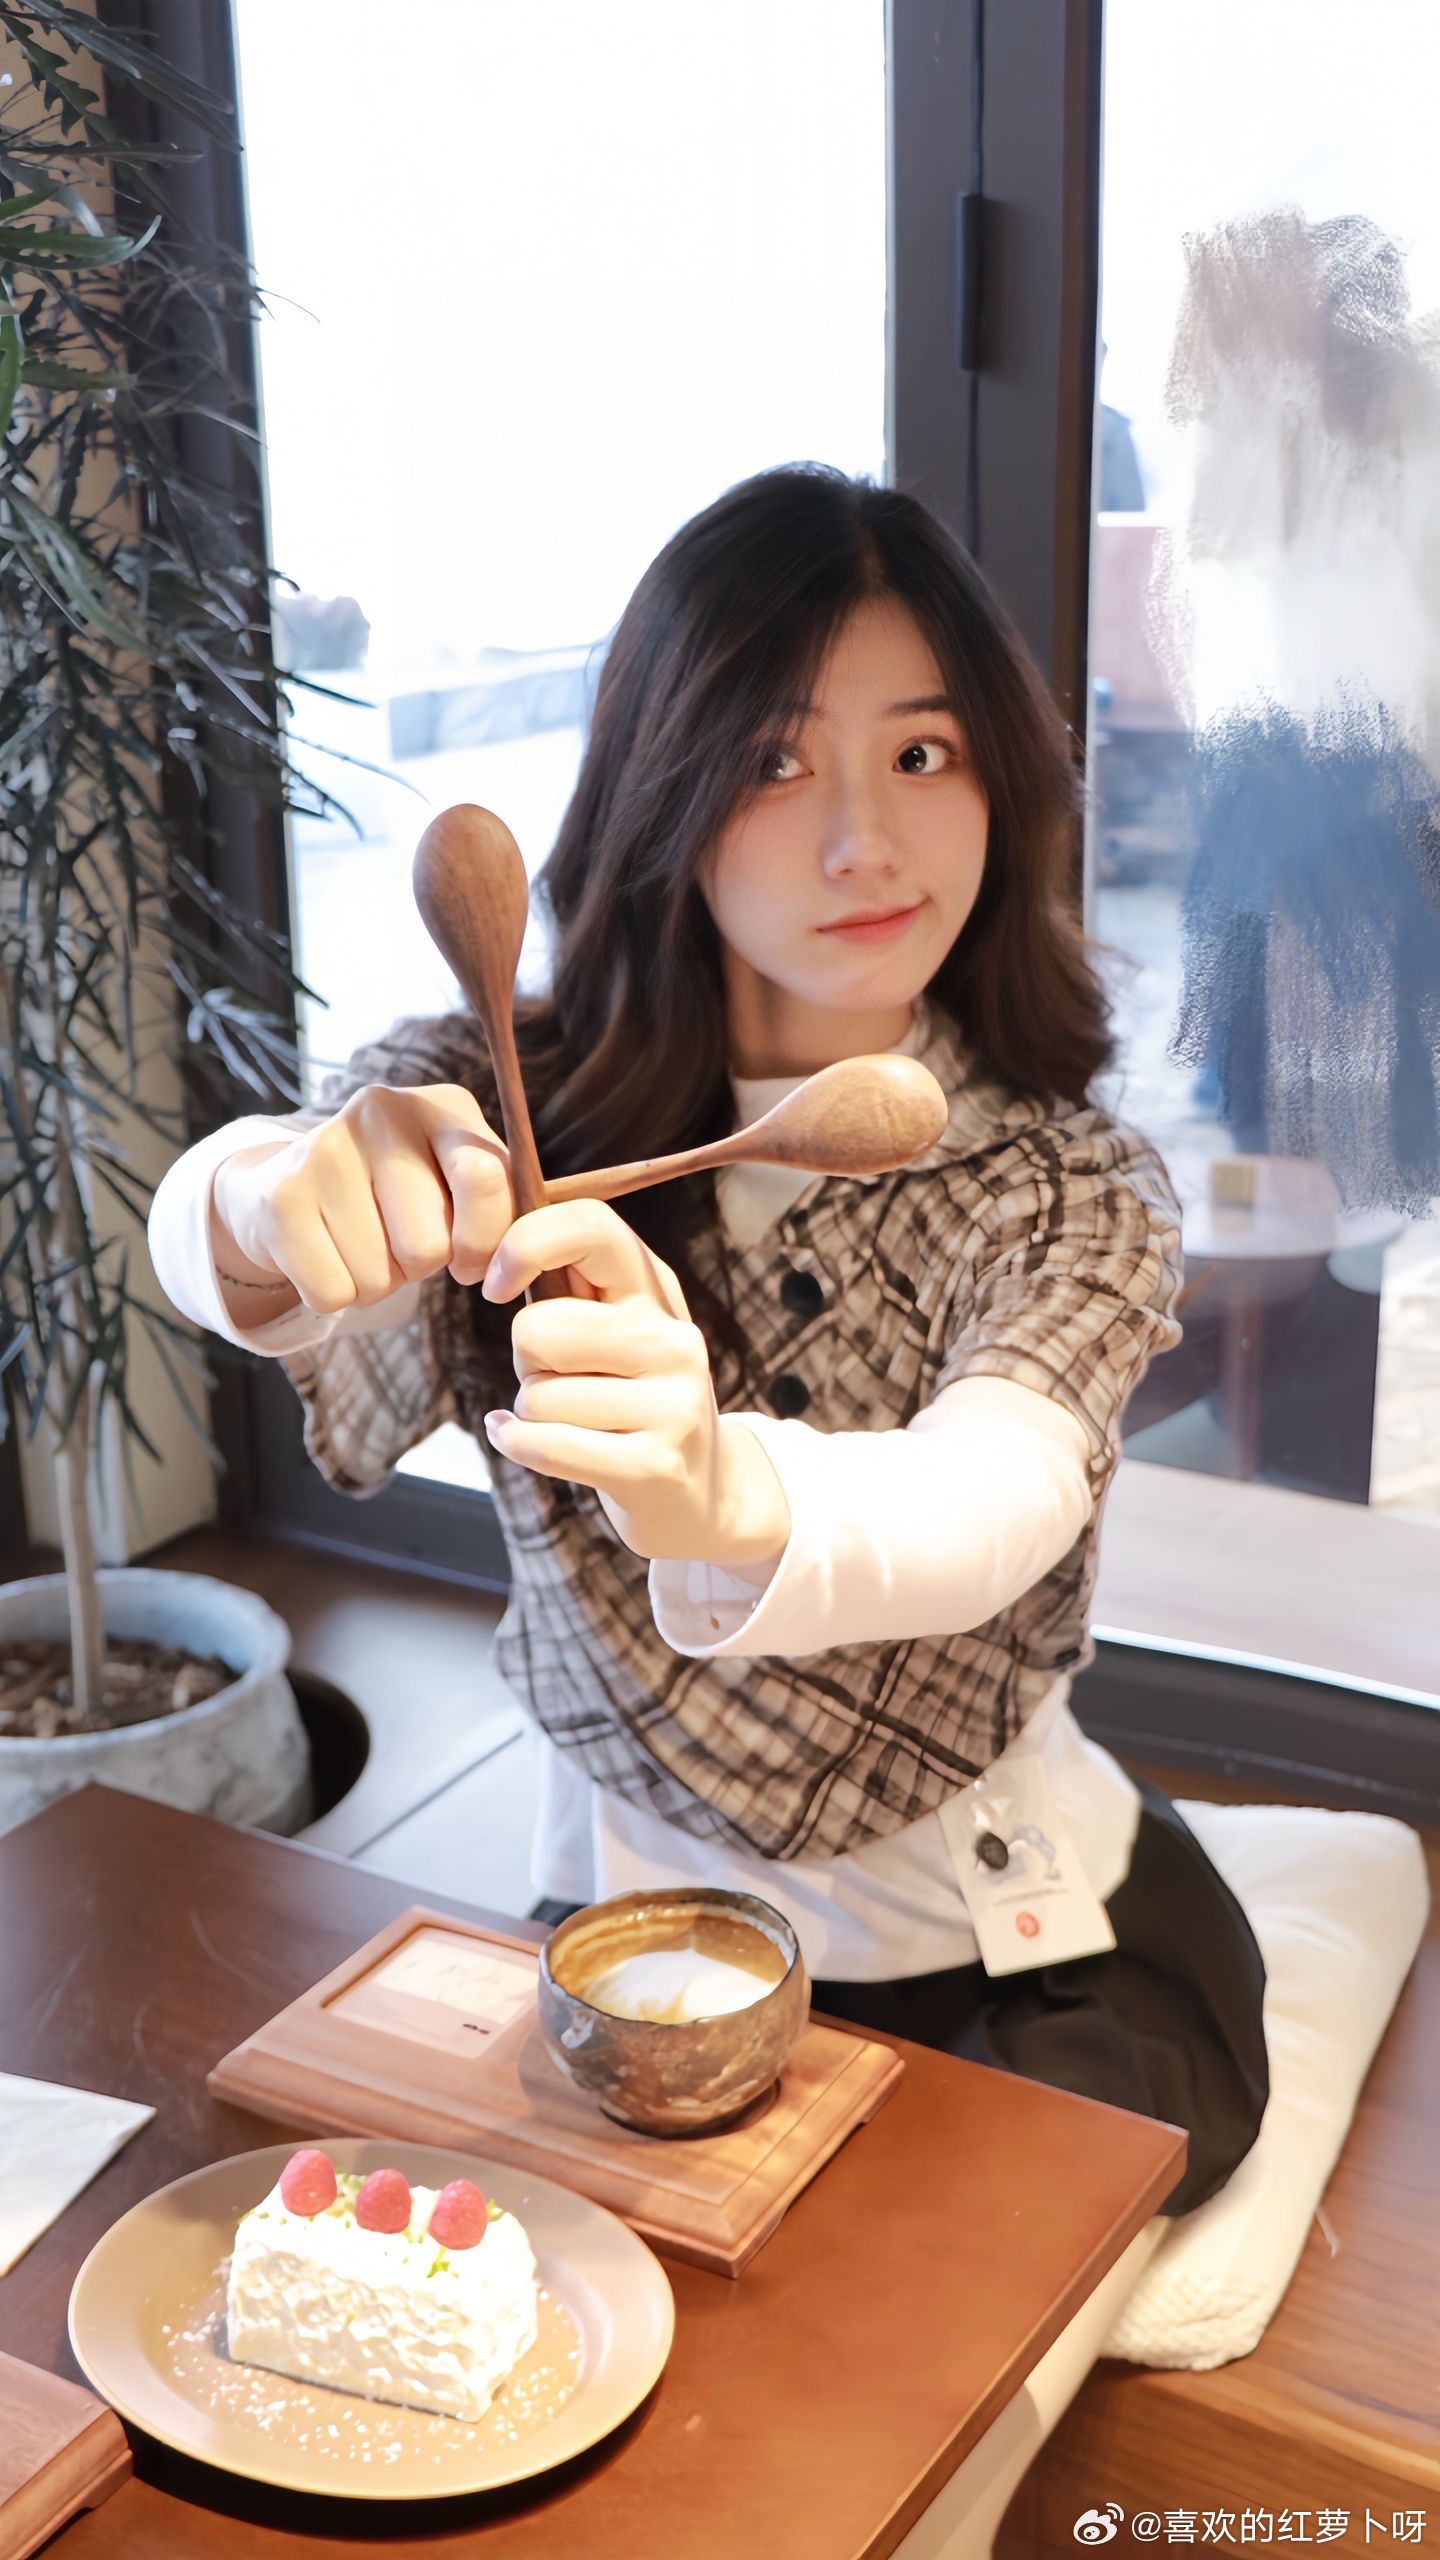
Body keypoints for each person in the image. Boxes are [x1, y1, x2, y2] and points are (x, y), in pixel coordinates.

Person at [149, 460, 1267, 2205]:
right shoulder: (483, 1107)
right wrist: (253, 1197)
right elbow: (255, 1237)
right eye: (773, 761)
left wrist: (723, 1492)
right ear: (664, 786)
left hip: (1003, 1948)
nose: (866, 842)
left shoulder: (1067, 1186)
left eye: (923, 753)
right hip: (627, 1934)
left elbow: (997, 1498)